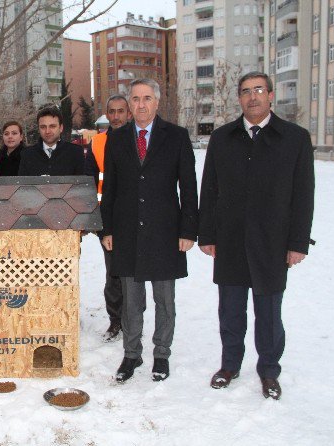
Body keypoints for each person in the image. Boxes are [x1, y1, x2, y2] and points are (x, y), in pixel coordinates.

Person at [198, 72, 315, 400]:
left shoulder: (294, 139)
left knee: (269, 314)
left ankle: (268, 370)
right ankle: (230, 365)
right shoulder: (223, 138)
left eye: (259, 90)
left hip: (272, 243)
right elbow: (210, 189)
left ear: (271, 95)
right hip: (230, 241)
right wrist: (206, 234)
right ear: (239, 98)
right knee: (230, 311)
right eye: (246, 92)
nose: (253, 97)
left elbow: (303, 195)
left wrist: (297, 243)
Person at [100, 78, 198, 383]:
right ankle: (131, 354)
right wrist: (108, 229)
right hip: (128, 232)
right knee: (131, 300)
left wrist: (188, 230)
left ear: (156, 102)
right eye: (135, 99)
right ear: (129, 104)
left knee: (164, 299)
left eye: (146, 98)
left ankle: (161, 354)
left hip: (165, 232)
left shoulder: (177, 137)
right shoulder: (116, 139)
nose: (140, 105)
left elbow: (189, 187)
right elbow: (110, 188)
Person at [85, 95, 132, 342]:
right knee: (113, 272)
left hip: (135, 217)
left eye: (121, 111)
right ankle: (116, 320)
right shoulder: (97, 144)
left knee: (134, 273)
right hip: (108, 218)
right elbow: (90, 183)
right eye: (112, 111)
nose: (116, 116)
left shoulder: (139, 139)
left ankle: (133, 319)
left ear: (129, 113)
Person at [18, 106, 84, 176]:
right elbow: (22, 184)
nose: (47, 131)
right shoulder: (27, 154)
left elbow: (82, 184)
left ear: (61, 128)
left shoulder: (75, 153)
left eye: (52, 126)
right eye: (43, 127)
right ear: (38, 129)